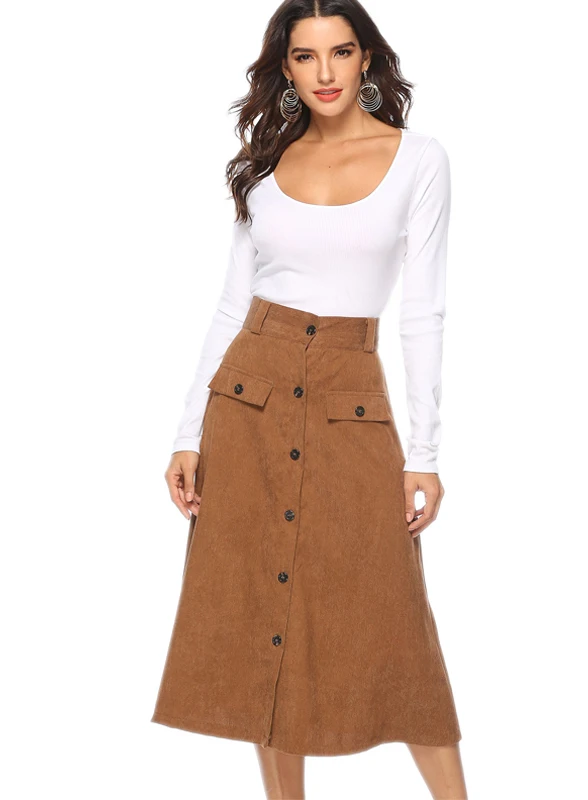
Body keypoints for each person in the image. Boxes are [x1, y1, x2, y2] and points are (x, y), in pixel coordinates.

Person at [152, 2, 468, 798]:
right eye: (305, 56)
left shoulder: (418, 160)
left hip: (350, 399)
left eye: (341, 52)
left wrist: (424, 452)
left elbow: (423, 311)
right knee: (263, 619)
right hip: (248, 400)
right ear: (285, 68)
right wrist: (189, 433)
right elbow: (232, 306)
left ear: (367, 59)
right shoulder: (263, 166)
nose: (325, 73)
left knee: (397, 626)